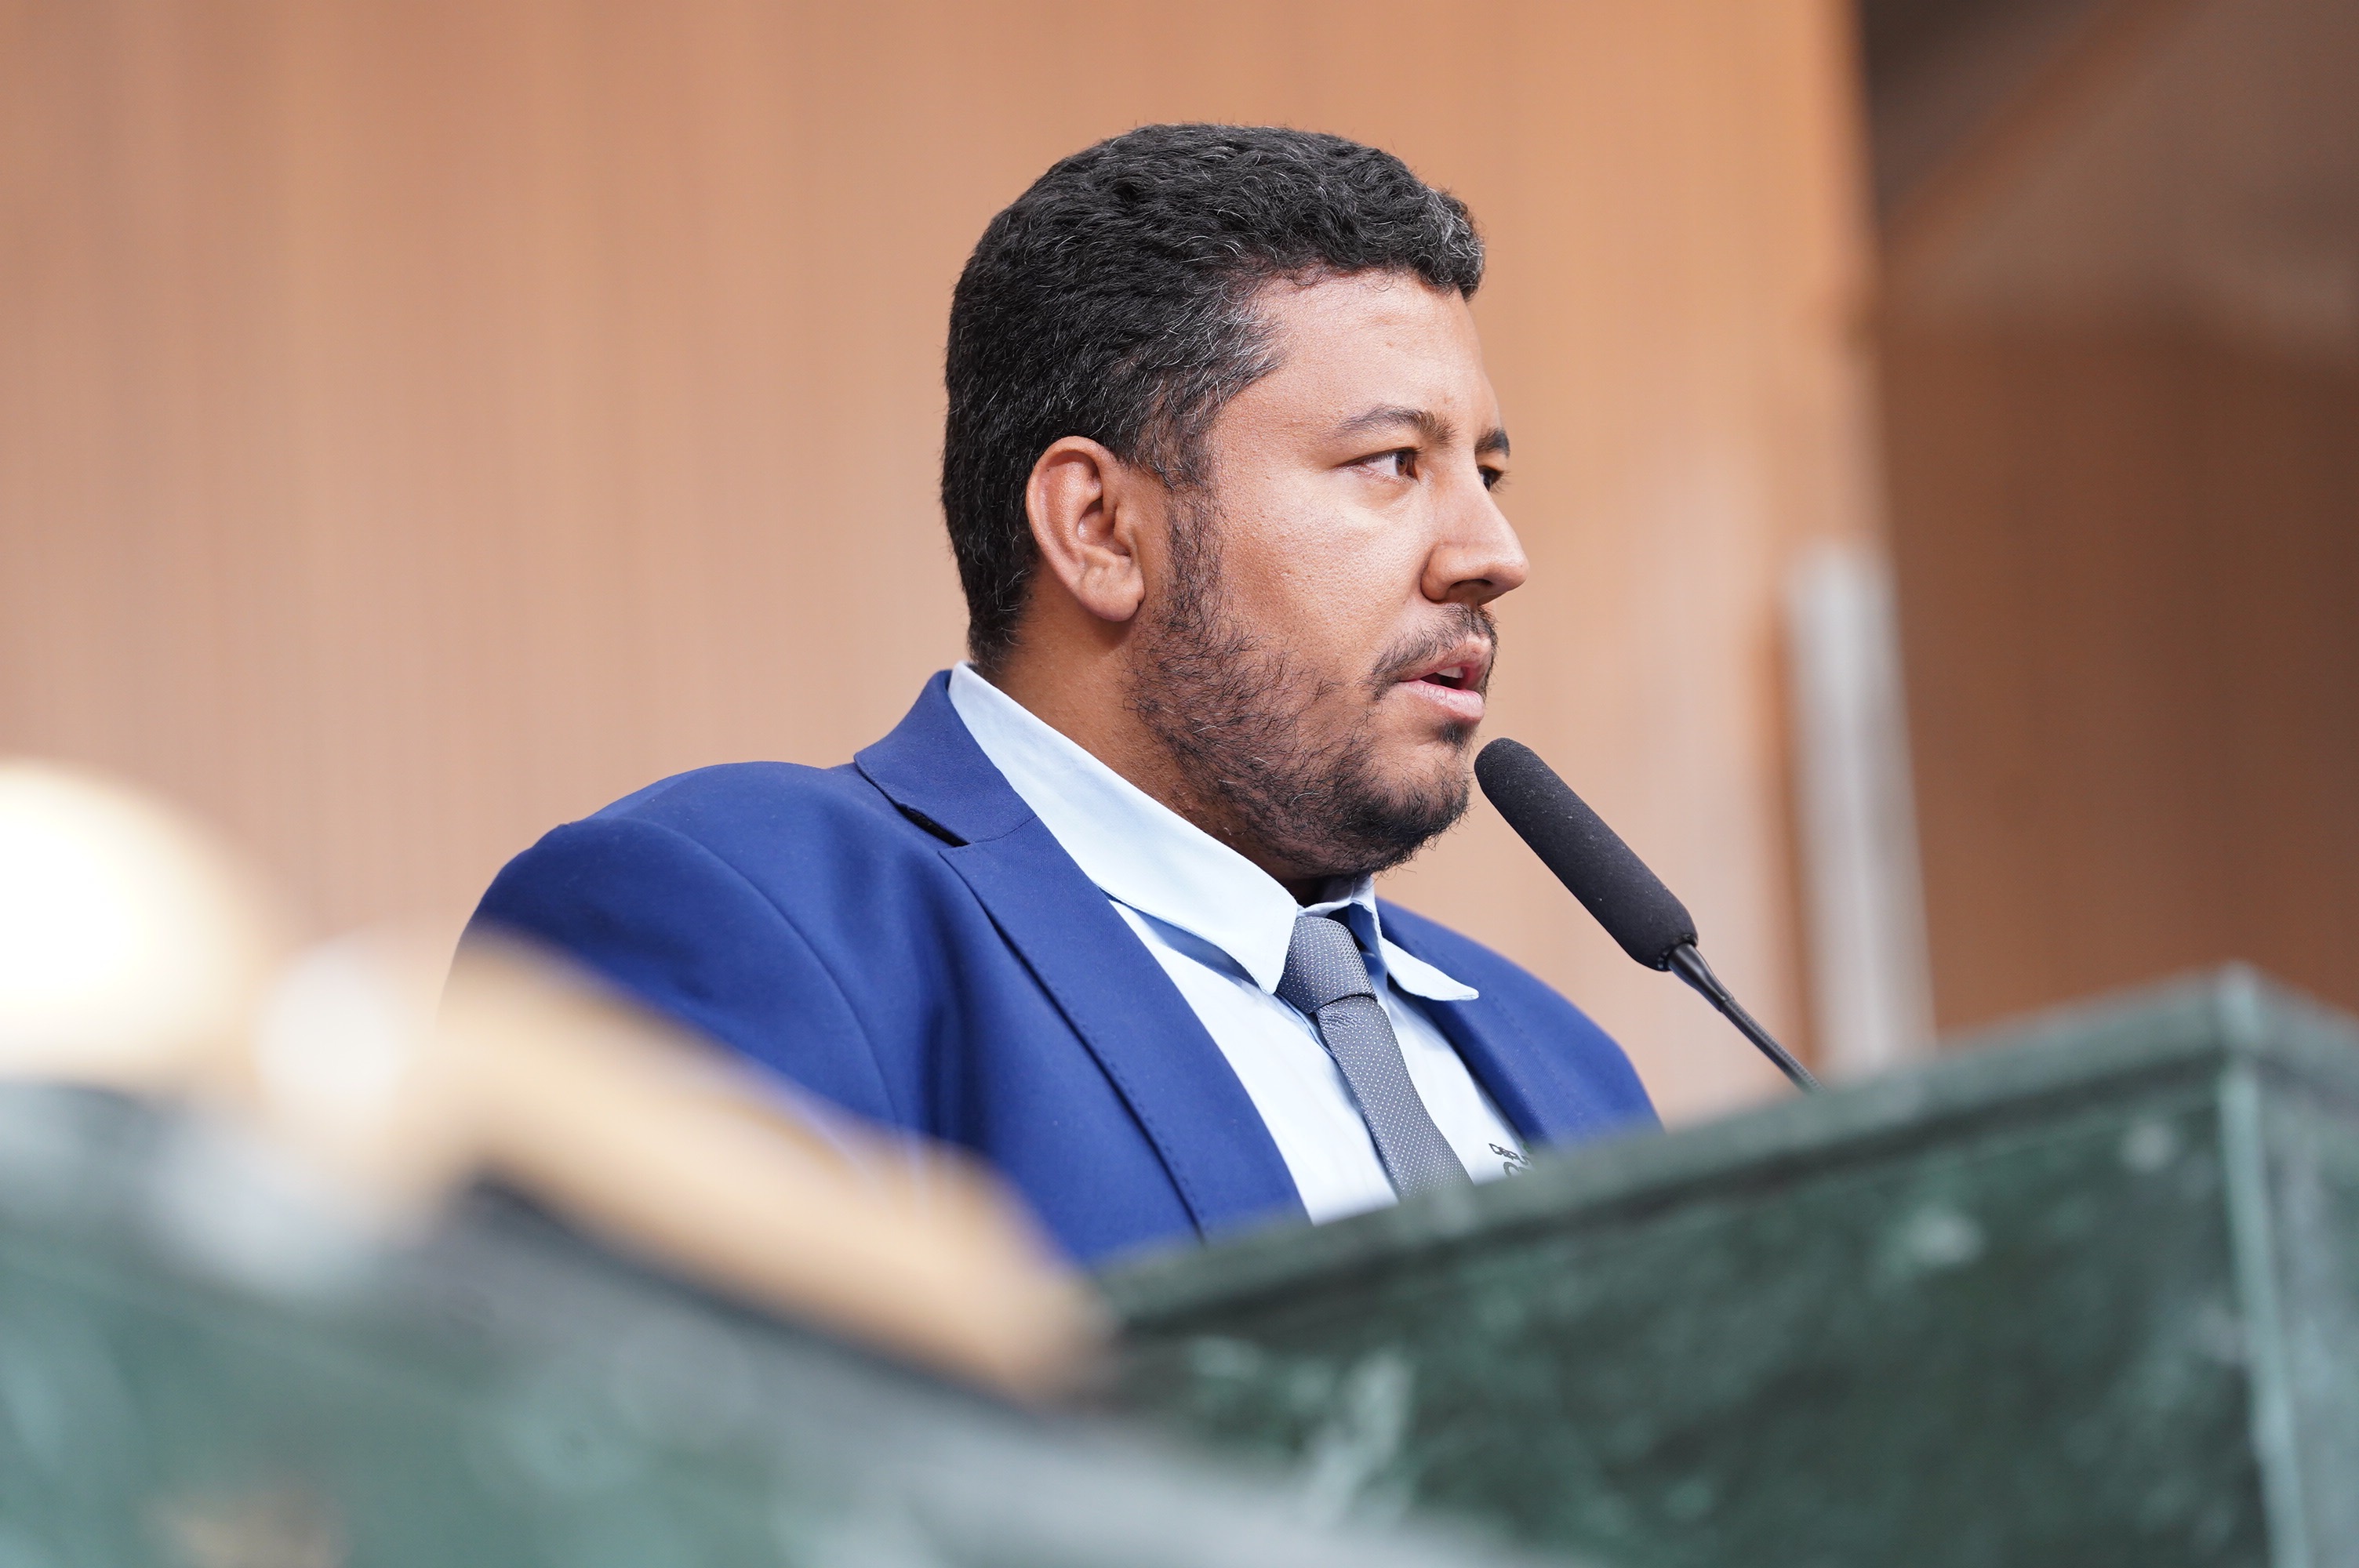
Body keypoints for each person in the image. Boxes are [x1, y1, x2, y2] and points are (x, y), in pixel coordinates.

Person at [469, 124, 1656, 1265]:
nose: (1495, 553)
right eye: (1394, 462)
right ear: (1099, 529)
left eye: (1485, 472)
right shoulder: (744, 912)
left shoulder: (1571, 1070)